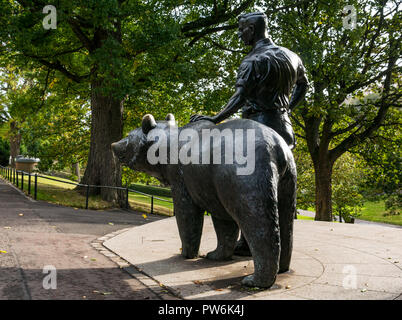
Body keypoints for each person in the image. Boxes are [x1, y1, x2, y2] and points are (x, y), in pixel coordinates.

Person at [190, 11, 309, 256]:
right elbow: (303, 86)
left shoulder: (252, 61)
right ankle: (264, 247)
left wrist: (214, 118)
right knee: (280, 191)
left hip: (257, 130)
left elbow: (239, 97)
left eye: (242, 29)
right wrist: (285, 109)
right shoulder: (292, 56)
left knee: (253, 190)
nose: (239, 34)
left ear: (253, 29)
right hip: (284, 130)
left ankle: (264, 255)